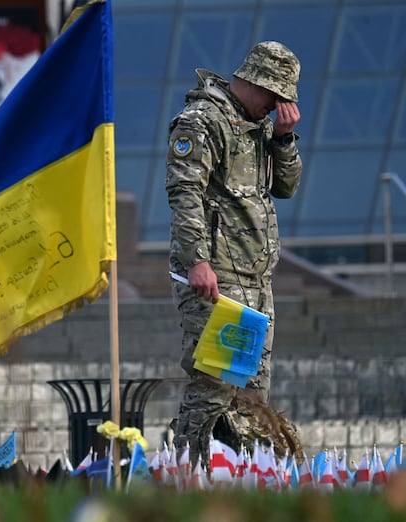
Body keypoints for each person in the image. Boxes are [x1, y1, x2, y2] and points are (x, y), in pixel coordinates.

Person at [166, 41, 302, 467]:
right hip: (217, 283)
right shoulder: (203, 121)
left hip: (256, 282)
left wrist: (283, 140)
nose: (278, 107)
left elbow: (285, 187)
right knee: (213, 390)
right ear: (257, 82)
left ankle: (236, 485)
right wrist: (197, 261)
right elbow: (184, 192)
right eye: (276, 98)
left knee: (251, 399)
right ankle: (183, 477)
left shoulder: (261, 126)